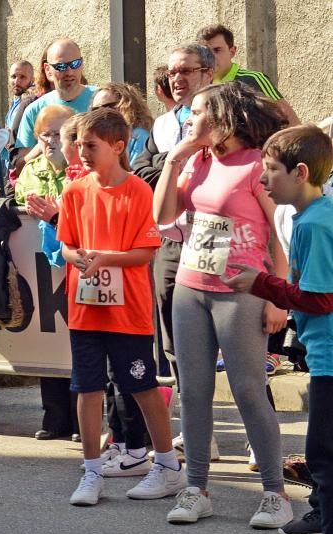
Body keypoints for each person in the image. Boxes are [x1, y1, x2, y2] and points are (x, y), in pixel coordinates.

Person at [152, 82, 292, 527]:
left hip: (243, 290)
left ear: (222, 117)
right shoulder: (197, 160)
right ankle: (196, 488)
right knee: (192, 392)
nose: (189, 120)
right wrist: (176, 158)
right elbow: (162, 215)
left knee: (249, 389)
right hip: (192, 286)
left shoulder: (256, 165)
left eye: (196, 113)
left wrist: (278, 296)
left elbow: (279, 233)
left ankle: (275, 494)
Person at [221, 125, 333, 534]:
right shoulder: (316, 215)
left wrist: (260, 283)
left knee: (325, 459)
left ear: (300, 172)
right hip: (325, 354)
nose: (262, 180)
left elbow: (320, 299)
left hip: (330, 357)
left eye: (270, 170)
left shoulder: (315, 223)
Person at [56, 108, 182, 506]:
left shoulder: (138, 192)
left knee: (141, 385)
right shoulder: (75, 191)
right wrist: (77, 257)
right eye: (78, 145)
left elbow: (145, 252)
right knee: (87, 387)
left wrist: (103, 257)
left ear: (118, 146)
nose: (82, 152)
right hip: (84, 309)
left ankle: (167, 465)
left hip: (127, 312)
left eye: (90, 146)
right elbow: (65, 244)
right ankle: (91, 471)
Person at [132, 44, 217, 456]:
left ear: (209, 74)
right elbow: (143, 171)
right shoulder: (164, 125)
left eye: (186, 71)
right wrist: (177, 156)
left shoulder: (231, 118)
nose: (176, 79)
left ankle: (258, 438)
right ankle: (202, 434)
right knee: (175, 344)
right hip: (171, 242)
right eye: (170, 73)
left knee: (234, 344)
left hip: (215, 238)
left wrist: (174, 166)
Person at [14, 105, 81, 443]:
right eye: (46, 135)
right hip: (40, 262)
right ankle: (54, 419)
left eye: (59, 134)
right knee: (49, 341)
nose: (53, 141)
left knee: (76, 344)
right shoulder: (32, 167)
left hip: (76, 263)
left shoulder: (80, 167)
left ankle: (82, 421)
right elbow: (22, 194)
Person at [196, 23, 300, 125]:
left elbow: (290, 120)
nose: (211, 57)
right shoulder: (199, 86)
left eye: (217, 50)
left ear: (232, 52)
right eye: (206, 52)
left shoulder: (252, 79)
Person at [14, 40, 98, 155]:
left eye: (75, 64)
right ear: (48, 70)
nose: (69, 72)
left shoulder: (101, 100)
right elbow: (20, 166)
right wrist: (45, 143)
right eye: (61, 66)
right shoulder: (34, 110)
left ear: (82, 64)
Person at [90, 83, 153, 167]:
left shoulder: (138, 136)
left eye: (108, 107)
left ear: (126, 106)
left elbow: (137, 172)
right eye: (95, 110)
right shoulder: (98, 138)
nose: (101, 113)